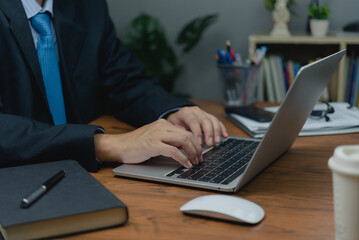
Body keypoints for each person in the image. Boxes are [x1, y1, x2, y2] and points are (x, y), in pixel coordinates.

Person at [0, 0, 228, 172]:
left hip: (84, 177)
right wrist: (104, 144)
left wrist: (173, 112)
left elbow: (124, 79)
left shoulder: (88, 6)